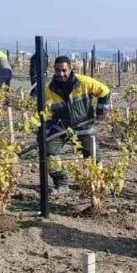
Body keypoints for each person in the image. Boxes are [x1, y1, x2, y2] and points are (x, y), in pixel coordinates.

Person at [43, 56, 111, 188]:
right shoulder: (49, 90)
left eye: (64, 70)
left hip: (84, 126)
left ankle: (97, 186)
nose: (60, 73)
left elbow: (105, 91)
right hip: (61, 127)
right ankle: (62, 183)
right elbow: (48, 115)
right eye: (57, 70)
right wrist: (45, 133)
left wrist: (101, 110)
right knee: (49, 153)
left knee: (93, 157)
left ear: (70, 69)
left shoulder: (83, 82)